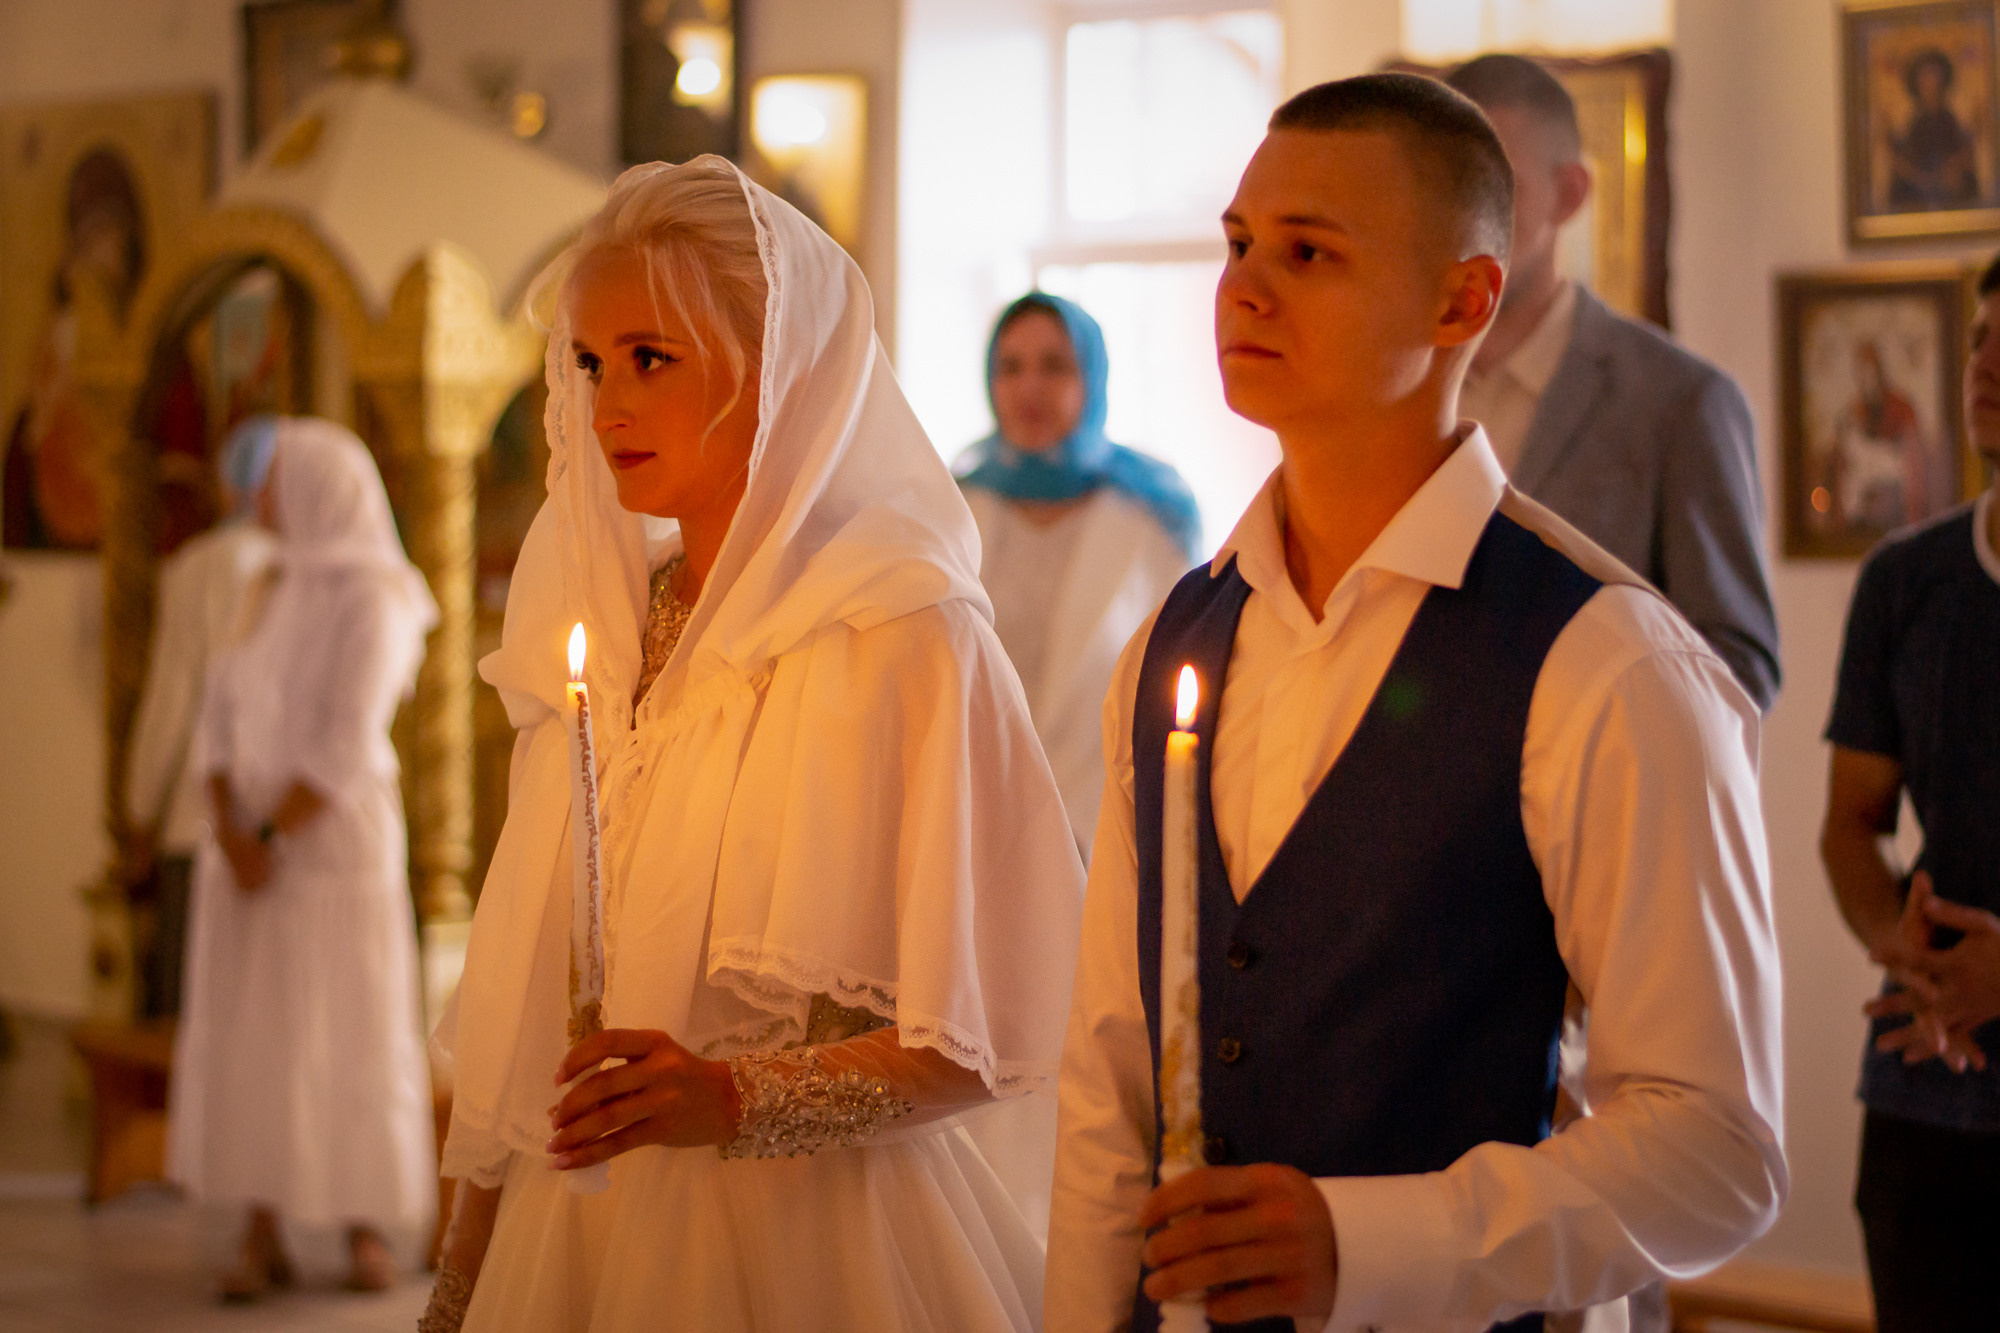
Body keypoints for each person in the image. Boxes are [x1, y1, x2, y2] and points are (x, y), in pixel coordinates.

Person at [1045, 73, 1786, 1331]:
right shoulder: (1179, 637)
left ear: (1463, 298)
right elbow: (1107, 1079)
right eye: (1235, 244)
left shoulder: (1603, 660)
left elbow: (1717, 1149)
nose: (1243, 286)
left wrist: (1369, 1242)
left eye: (1307, 251)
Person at [423, 157, 1084, 1332]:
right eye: (588, 362)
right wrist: (461, 1282)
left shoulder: (903, 632)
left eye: (650, 358)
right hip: (571, 1231)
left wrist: (726, 1095)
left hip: (816, 1250)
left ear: (774, 366)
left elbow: (980, 1034)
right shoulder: (605, 645)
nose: (606, 403)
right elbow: (527, 1021)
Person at [166, 416, 438, 1299]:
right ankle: (259, 1226)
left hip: (330, 853)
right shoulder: (263, 585)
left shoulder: (381, 598)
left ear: (321, 486)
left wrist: (271, 833)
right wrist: (228, 822)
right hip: (245, 853)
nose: (259, 500)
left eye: (275, 481)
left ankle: (364, 1223)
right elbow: (217, 708)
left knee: (346, 1031)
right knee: (255, 1039)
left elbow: (348, 734)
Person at [1444, 54, 1781, 710]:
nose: (1464, 214)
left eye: (1495, 184)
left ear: (1570, 193)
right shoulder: (1398, 382)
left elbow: (1736, 666)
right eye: (1444, 183)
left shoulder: (1680, 401)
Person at [1820, 250, 2000, 1333]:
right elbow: (1848, 826)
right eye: (1981, 338)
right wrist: (1905, 950)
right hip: (1922, 1090)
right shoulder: (1903, 579)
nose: (1984, 365)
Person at [956, 291, 1200, 854]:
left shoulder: (1153, 518)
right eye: (1010, 367)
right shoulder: (951, 510)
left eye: (1055, 366)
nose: (1030, 388)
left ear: (1093, 378)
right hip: (972, 830)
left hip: (1107, 836)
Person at [121, 417, 279, 1018]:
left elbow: (171, 697)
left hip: (196, 820)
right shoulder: (301, 565)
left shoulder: (198, 568)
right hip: (275, 828)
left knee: (189, 1021)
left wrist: (139, 810)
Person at [1888, 48, 1981, 211]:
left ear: (1943, 81)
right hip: (1916, 195)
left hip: (1951, 196)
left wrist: (1955, 168)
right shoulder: (1914, 122)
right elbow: (1904, 162)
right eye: (1924, 77)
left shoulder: (1950, 120)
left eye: (1934, 76)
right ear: (1916, 84)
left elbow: (1963, 156)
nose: (1930, 83)